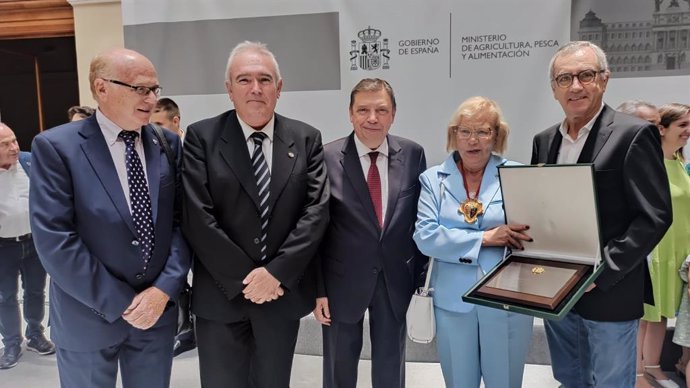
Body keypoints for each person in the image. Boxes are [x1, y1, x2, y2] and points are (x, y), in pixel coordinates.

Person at [29, 48, 191, 388]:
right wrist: (125, 303)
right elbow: (55, 241)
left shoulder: (166, 144)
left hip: (155, 317)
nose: (151, 98)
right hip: (87, 318)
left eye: (155, 89)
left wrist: (162, 291)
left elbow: (181, 225)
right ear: (102, 88)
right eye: (140, 89)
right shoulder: (57, 147)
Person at [182, 41, 329, 388]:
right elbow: (197, 216)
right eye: (244, 80)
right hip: (221, 297)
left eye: (265, 80)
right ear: (229, 89)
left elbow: (316, 213)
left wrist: (275, 274)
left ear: (279, 88)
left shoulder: (306, 138)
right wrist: (248, 279)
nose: (256, 89)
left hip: (280, 297)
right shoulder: (202, 137)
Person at [531, 41, 673, 388]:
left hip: (610, 291)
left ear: (604, 80)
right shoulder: (544, 140)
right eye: (564, 78)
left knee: (610, 382)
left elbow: (654, 216)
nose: (575, 86)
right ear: (553, 89)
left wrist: (601, 271)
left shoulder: (633, 134)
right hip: (557, 291)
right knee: (569, 378)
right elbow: (540, 207)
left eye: (586, 75)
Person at [413, 96, 534, 388]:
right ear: (454, 135)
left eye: (483, 131)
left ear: (497, 136)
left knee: (505, 381)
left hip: (507, 300)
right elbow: (426, 236)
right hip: (453, 301)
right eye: (465, 131)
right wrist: (485, 238)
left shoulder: (517, 175)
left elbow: (530, 234)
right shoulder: (433, 179)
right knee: (459, 382)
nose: (473, 140)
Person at [313, 78, 426, 388]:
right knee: (339, 369)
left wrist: (420, 284)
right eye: (363, 109)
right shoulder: (325, 157)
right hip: (340, 284)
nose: (372, 118)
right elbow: (317, 231)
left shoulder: (414, 154)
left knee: (391, 368)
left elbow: (419, 222)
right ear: (350, 113)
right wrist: (318, 289)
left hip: (394, 281)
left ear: (393, 114)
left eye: (381, 110)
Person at [616, 100, 678, 388]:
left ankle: (646, 369)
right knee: (642, 318)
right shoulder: (625, 162)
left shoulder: (672, 160)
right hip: (635, 257)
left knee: (658, 314)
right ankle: (638, 372)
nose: (656, 132)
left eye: (657, 125)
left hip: (668, 252)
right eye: (649, 125)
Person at [0, 122, 55, 370]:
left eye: (13, 140)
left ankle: (35, 334)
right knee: (5, 297)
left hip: (34, 242)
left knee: (35, 292)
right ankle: (11, 343)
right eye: (4, 144)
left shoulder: (29, 162)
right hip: (3, 247)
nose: (13, 147)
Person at [148, 97, 194, 357]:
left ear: (175, 122)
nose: (151, 128)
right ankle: (182, 327)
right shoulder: (154, 151)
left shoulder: (195, 147)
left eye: (158, 123)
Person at [657, 104, 690, 387]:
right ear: (662, 128)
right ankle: (645, 370)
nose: (688, 131)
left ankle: (676, 364)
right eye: (682, 125)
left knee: (668, 315)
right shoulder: (653, 165)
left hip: (682, 254)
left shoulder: (680, 162)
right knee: (653, 316)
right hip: (660, 251)